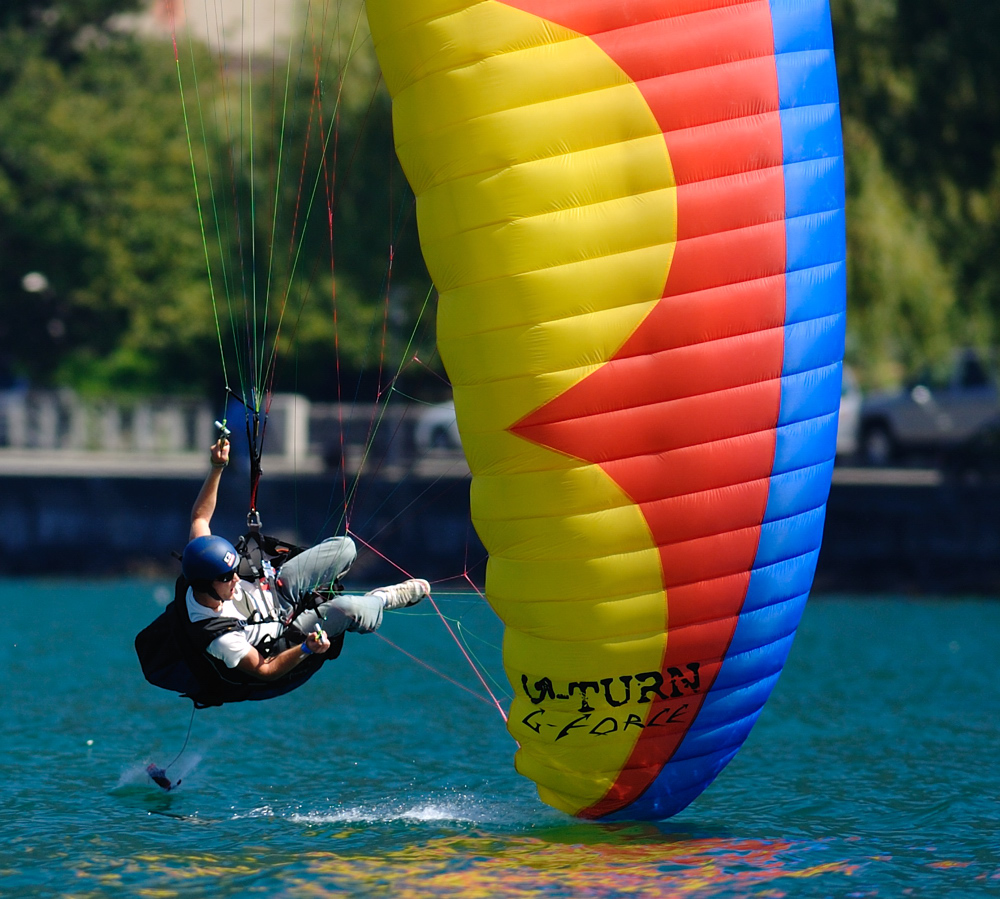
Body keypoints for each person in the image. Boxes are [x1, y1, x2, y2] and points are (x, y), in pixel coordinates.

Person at [182, 435, 430, 682]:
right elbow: (265, 670)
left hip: (277, 590)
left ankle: (323, 594)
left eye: (234, 569)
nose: (235, 578)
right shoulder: (220, 638)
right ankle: (382, 599)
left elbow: (200, 517)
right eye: (227, 577)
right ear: (205, 585)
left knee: (345, 548)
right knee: (348, 609)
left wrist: (217, 466)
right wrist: (306, 648)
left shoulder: (200, 555)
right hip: (289, 633)